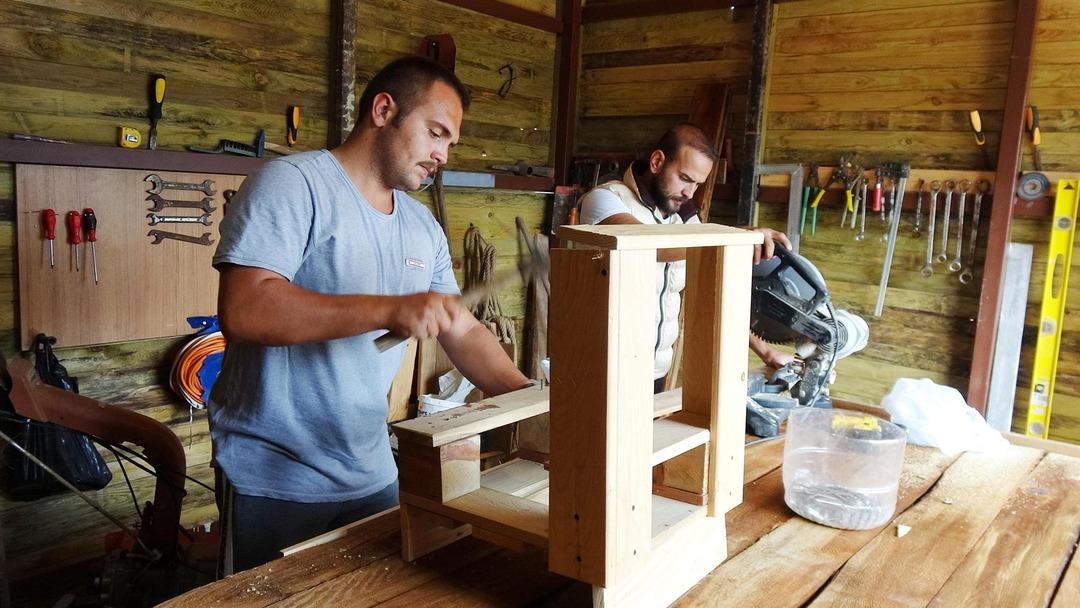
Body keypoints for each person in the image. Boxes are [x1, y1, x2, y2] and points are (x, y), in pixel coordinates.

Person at [208, 57, 531, 572]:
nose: (442, 154)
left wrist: (524, 394)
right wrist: (390, 308)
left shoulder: (422, 226)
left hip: (371, 469)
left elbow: (461, 325)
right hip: (277, 477)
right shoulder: (294, 184)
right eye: (435, 133)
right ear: (384, 110)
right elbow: (248, 308)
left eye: (450, 143)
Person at [578, 124, 794, 394]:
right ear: (657, 162)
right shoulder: (606, 200)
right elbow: (649, 246)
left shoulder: (684, 221)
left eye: (697, 184)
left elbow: (707, 297)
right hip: (600, 369)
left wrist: (766, 351)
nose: (690, 193)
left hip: (653, 373)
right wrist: (740, 236)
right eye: (684, 178)